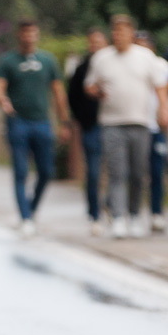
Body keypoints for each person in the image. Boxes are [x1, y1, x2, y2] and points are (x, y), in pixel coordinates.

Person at [85, 15, 168, 239]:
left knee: (138, 173)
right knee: (117, 172)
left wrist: (164, 108)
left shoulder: (145, 57)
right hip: (111, 123)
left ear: (131, 34)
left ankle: (134, 214)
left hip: (140, 122)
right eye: (115, 32)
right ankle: (118, 217)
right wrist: (97, 92)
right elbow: (90, 85)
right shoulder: (102, 58)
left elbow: (160, 86)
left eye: (123, 32)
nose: (118, 36)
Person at [0, 19, 71, 237]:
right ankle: (25, 217)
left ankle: (32, 210)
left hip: (42, 122)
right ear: (19, 35)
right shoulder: (8, 61)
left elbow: (58, 92)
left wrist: (64, 122)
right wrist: (2, 100)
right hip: (18, 121)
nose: (28, 36)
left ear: (37, 34)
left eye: (32, 32)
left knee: (46, 171)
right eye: (25, 32)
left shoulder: (47, 61)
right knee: (21, 171)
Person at [67, 27, 109, 235]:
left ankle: (111, 206)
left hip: (113, 125)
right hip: (91, 126)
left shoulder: (113, 66)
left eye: (98, 43)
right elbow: (72, 96)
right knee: (93, 172)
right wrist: (80, 119)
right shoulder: (82, 69)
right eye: (92, 43)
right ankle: (94, 213)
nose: (95, 47)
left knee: (117, 171)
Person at [137, 30, 168, 233]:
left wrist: (165, 112)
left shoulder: (161, 66)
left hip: (155, 126)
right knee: (133, 171)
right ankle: (129, 211)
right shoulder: (128, 64)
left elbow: (167, 91)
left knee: (157, 172)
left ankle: (156, 212)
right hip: (136, 123)